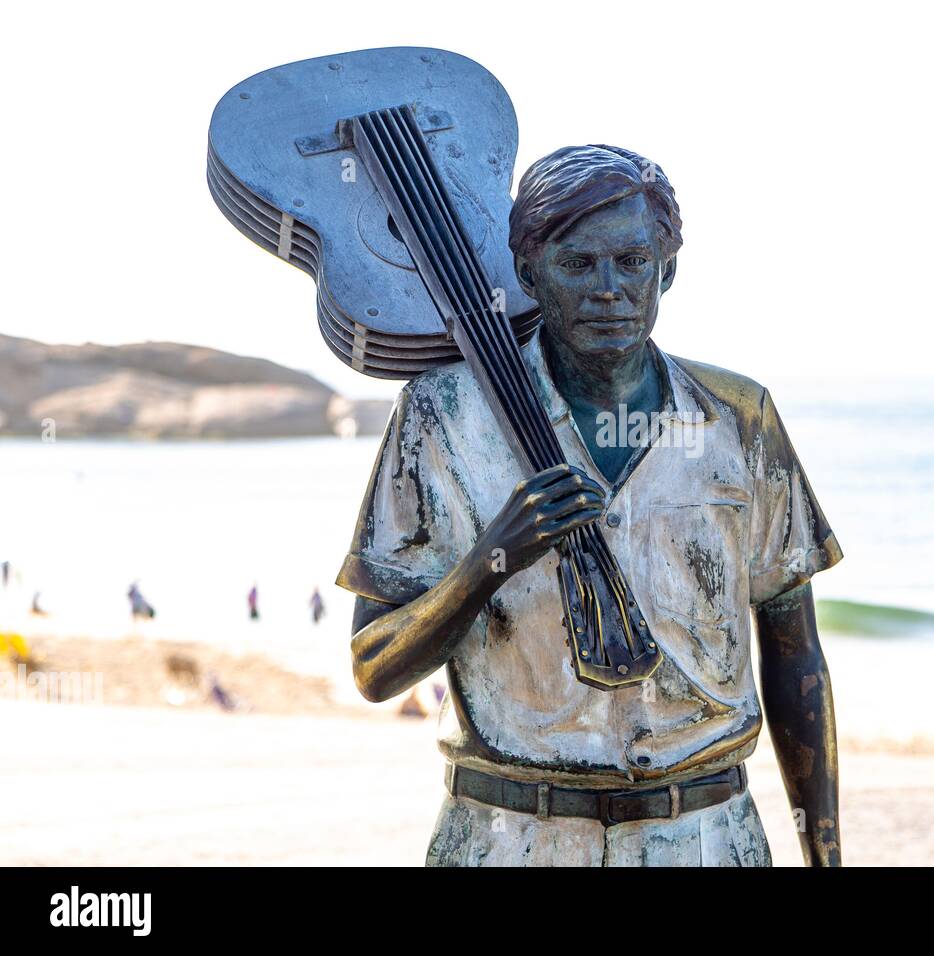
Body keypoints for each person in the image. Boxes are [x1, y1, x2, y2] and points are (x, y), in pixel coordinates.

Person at [339, 145, 842, 867]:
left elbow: (797, 660)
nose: (609, 289)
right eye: (577, 265)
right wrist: (489, 561)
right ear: (529, 274)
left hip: (704, 834)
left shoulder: (738, 417)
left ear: (668, 268)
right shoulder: (442, 418)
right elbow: (373, 667)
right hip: (508, 834)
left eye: (633, 262)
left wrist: (825, 856)